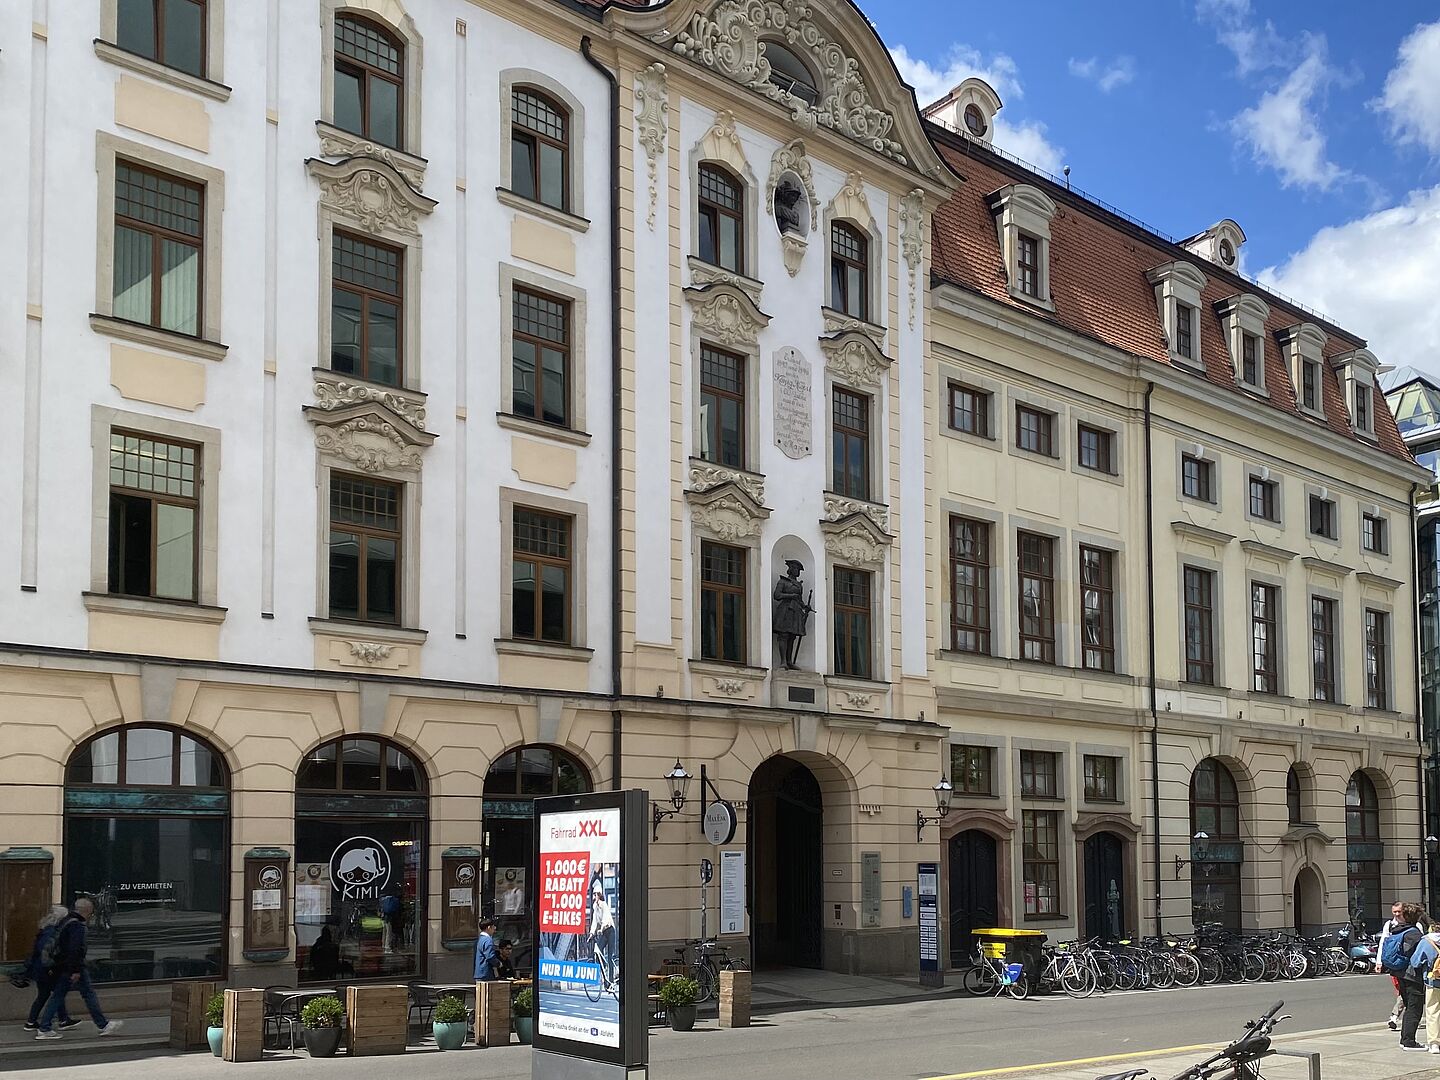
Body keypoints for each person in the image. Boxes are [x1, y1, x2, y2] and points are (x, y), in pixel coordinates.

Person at [34, 897, 124, 1040]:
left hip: (62, 965)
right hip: (71, 967)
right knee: (81, 994)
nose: (91, 916)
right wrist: (74, 970)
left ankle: (102, 1024)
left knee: (66, 995)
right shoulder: (77, 926)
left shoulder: (65, 921)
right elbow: (75, 949)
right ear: (87, 911)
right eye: (91, 913)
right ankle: (45, 1028)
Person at [19, 906, 75, 1033]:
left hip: (40, 969)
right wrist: (50, 967)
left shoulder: (45, 930)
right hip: (46, 969)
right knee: (56, 993)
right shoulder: (52, 932)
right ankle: (60, 1020)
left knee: (46, 994)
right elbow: (46, 953)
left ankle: (34, 1021)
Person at [1390, 902, 1428, 1050]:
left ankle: (1405, 1039)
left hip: (1399, 973)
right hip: (1412, 975)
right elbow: (1418, 957)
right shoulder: (1414, 934)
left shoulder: (1397, 930)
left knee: (1409, 1006)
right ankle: (1408, 1041)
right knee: (1415, 1007)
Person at [1410, 925, 1440, 1053]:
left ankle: (1434, 1043)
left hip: (1433, 980)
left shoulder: (1426, 942)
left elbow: (1415, 961)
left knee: (1433, 1010)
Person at [1378, 901, 1407, 1030]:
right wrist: (1379, 961)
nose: (1396, 914)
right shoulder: (1389, 925)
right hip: (1395, 964)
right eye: (1394, 912)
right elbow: (1383, 943)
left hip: (1409, 964)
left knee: (1405, 992)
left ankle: (1396, 1017)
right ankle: (1397, 1017)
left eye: (1399, 912)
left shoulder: (1413, 924)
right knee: (1402, 991)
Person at [589, 874, 616, 978]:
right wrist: (592, 933)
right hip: (603, 931)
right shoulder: (595, 906)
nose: (593, 896)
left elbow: (605, 918)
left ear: (599, 895)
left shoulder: (604, 905)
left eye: (595, 894)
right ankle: (604, 966)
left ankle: (611, 980)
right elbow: (594, 921)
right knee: (597, 951)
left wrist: (602, 928)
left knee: (610, 956)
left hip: (610, 930)